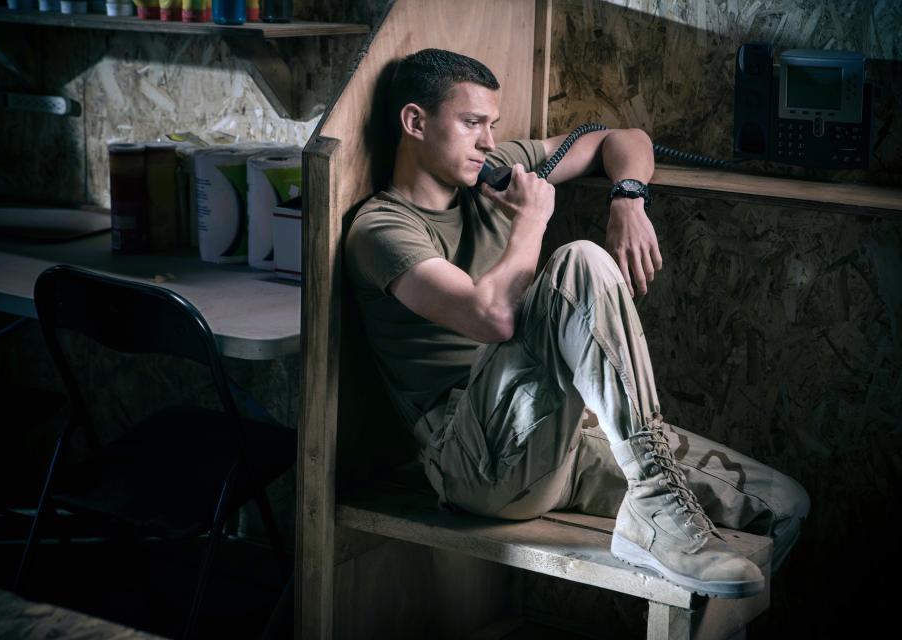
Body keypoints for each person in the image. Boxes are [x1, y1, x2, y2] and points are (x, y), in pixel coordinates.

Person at [345, 48, 809, 598]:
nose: (489, 142)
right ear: (415, 122)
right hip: (473, 459)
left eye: (492, 125)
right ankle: (656, 501)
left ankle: (655, 496)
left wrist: (628, 199)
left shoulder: (491, 174)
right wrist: (533, 221)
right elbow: (490, 315)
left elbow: (624, 138)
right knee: (580, 261)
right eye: (472, 124)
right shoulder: (380, 229)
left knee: (783, 504)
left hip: (559, 434)